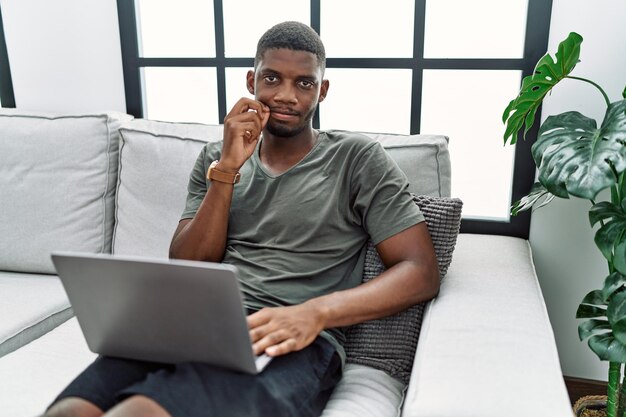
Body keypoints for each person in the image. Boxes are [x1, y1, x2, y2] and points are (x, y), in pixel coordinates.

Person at [44, 21, 439, 417]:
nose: (286, 96)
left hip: (293, 338)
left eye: (304, 83)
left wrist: (316, 312)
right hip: (196, 324)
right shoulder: (216, 158)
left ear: (322, 90)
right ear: (252, 81)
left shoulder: (357, 158)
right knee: (71, 411)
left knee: (140, 413)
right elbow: (187, 264)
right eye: (272, 78)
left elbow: (420, 271)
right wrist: (228, 168)